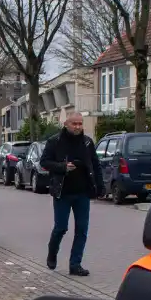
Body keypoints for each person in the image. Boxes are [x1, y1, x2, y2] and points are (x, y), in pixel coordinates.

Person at [40, 112, 103, 277]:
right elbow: (44, 162)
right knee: (61, 227)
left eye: (80, 123)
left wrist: (100, 186)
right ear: (66, 124)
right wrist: (62, 167)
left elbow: (95, 165)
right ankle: (52, 252)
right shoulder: (55, 142)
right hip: (62, 192)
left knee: (82, 229)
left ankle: (75, 264)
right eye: (74, 123)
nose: (78, 127)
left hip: (82, 193)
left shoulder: (87, 142)